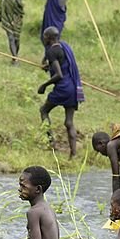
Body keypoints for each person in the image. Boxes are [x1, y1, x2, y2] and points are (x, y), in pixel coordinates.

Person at [38, 27, 84, 158]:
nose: (44, 38)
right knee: (69, 123)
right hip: (73, 89)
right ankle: (73, 154)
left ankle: (51, 143)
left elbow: (59, 75)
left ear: (49, 38)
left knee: (44, 111)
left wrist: (44, 85)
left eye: (45, 36)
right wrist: (49, 65)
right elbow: (61, 65)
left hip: (62, 89)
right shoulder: (64, 47)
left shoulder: (52, 51)